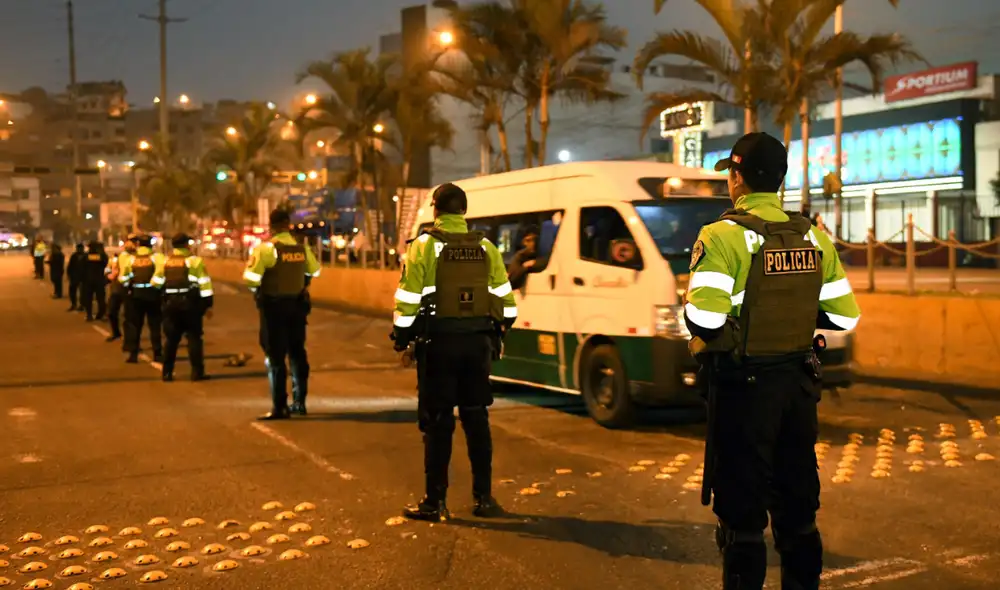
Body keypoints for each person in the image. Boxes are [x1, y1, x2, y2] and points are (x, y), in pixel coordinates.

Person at [684, 132, 861, 590]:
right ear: (780, 180)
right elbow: (845, 317)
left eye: (731, 173)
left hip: (744, 393)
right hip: (798, 391)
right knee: (798, 512)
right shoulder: (814, 236)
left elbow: (704, 317)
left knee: (743, 519)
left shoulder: (721, 235)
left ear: (737, 178)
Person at [392, 182, 518, 522]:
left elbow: (407, 299)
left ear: (436, 209)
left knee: (438, 423)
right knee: (477, 419)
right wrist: (499, 327)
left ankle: (435, 501)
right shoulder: (487, 247)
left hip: (439, 345)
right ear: (463, 211)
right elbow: (507, 304)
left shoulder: (423, 246)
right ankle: (484, 499)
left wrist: (402, 336)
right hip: (477, 346)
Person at [243, 209, 320, 420]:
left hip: (273, 308)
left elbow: (250, 278)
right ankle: (299, 402)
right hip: (297, 306)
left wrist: (259, 286)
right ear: (288, 224)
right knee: (297, 353)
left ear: (272, 226)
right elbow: (315, 271)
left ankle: (280, 406)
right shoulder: (301, 248)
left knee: (276, 357)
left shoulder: (267, 249)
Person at [158, 233, 213, 382]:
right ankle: (197, 373)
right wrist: (208, 304)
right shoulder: (195, 261)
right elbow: (205, 284)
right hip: (191, 305)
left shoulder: (165, 262)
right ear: (187, 244)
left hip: (171, 306)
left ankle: (167, 373)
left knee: (171, 340)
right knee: (194, 339)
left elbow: (156, 282)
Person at [119, 234, 166, 363]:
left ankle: (133, 354)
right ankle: (157, 353)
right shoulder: (158, 257)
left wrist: (131, 283)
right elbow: (161, 275)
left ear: (138, 244)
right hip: (153, 295)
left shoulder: (131, 259)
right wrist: (154, 286)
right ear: (151, 245)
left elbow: (123, 277)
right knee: (154, 325)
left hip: (135, 295)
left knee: (135, 325)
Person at [105, 235, 137, 343]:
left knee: (129, 316)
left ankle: (131, 340)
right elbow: (108, 269)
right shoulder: (117, 256)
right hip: (117, 287)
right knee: (111, 312)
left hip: (130, 288)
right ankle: (116, 333)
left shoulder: (137, 257)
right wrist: (109, 274)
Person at [80, 241, 109, 322]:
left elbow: (82, 268)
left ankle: (89, 315)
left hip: (88, 280)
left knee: (88, 298)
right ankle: (101, 315)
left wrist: (81, 279)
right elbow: (106, 264)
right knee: (101, 298)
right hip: (99, 280)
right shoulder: (102, 256)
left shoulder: (86, 256)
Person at [507, 226, 541, 291]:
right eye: (528, 241)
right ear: (523, 242)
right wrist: (525, 267)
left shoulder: (539, 253)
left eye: (534, 240)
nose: (532, 243)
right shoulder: (520, 256)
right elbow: (512, 279)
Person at [66, 243, 87, 311]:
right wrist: (69, 275)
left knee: (82, 293)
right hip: (74, 277)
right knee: (72, 292)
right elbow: (70, 266)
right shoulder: (74, 256)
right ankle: (73, 304)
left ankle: (82, 305)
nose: (79, 250)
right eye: (78, 248)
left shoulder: (86, 256)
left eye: (81, 248)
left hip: (83, 278)